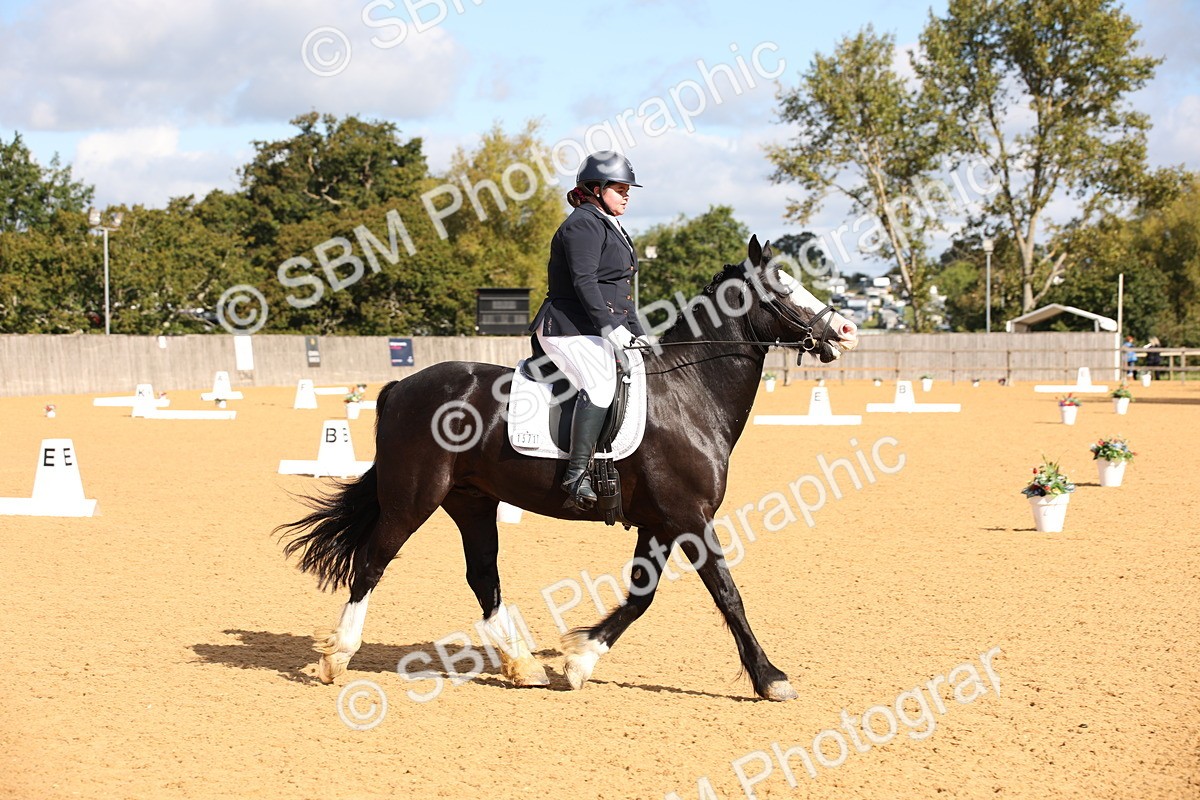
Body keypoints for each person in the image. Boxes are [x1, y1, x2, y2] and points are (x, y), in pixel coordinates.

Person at [528, 151, 645, 510]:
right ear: (596, 189)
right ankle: (576, 474)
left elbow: (620, 291)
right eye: (620, 189)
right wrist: (611, 329)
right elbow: (585, 282)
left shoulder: (610, 225)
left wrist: (638, 332)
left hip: (591, 327)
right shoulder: (582, 224)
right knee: (600, 382)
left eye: (628, 190)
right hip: (566, 327)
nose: (626, 196)